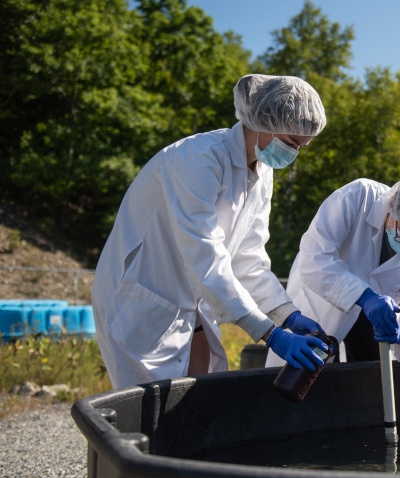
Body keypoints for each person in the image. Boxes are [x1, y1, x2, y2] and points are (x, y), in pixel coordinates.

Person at [92, 74, 330, 389]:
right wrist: (269, 332)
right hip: (142, 301)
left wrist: (286, 314)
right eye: (289, 143)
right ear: (262, 121)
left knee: (197, 401)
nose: (293, 155)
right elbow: (204, 251)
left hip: (190, 303)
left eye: (301, 147)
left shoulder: (261, 173)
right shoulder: (197, 159)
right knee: (143, 418)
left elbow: (248, 257)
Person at [265, 173, 400, 367]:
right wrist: (365, 297)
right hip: (316, 313)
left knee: (367, 393)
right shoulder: (359, 197)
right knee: (302, 389)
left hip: (370, 334)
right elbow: (314, 258)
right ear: (392, 205)